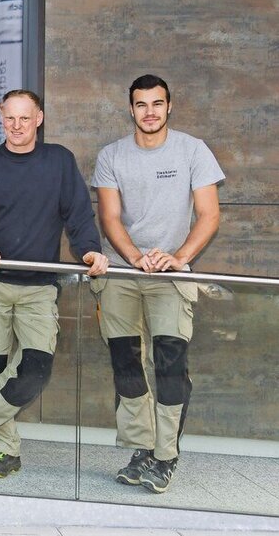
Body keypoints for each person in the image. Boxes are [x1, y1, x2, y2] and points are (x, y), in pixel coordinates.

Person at [0, 89, 109, 478]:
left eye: (25, 118)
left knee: (36, 366)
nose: (16, 126)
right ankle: (5, 451)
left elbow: (78, 215)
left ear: (39, 118)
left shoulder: (58, 161)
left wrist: (89, 251)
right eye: (9, 119)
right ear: (0, 118)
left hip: (40, 285)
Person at [90, 74, 223, 494]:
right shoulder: (111, 155)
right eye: (141, 104)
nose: (150, 111)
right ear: (130, 109)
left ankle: (166, 455)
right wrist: (133, 257)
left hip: (171, 276)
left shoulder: (192, 150)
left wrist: (179, 258)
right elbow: (109, 217)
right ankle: (142, 449)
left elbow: (209, 214)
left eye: (157, 104)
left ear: (170, 106)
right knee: (127, 364)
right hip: (123, 274)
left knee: (170, 365)